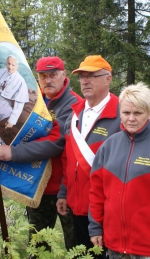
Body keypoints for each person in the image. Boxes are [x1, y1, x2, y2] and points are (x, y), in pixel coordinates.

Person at [0, 56, 81, 251]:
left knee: (76, 247)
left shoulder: (75, 105)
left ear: (63, 75)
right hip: (38, 187)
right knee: (37, 246)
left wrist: (11, 152)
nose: (47, 80)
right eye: (43, 76)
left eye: (53, 75)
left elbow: (55, 142)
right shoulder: (33, 101)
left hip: (67, 188)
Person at [88, 82, 150, 259]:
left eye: (138, 113)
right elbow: (96, 192)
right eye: (126, 113)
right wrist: (95, 226)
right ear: (120, 113)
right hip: (114, 243)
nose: (131, 118)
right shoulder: (108, 146)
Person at [56, 55, 121, 257]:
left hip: (106, 210)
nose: (85, 81)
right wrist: (63, 193)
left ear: (108, 79)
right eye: (82, 76)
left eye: (92, 76)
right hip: (76, 207)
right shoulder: (74, 114)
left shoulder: (123, 114)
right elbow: (69, 159)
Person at [0, 55, 29, 130]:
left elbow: (19, 103)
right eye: (8, 64)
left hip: (3, 105)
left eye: (13, 65)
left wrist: (12, 121)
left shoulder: (20, 81)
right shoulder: (1, 71)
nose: (10, 67)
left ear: (17, 66)